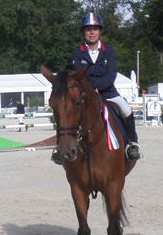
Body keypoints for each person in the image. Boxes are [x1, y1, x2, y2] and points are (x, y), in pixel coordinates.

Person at [56, 12, 141, 163]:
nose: (92, 32)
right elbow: (77, 74)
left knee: (127, 110)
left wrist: (98, 86)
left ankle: (131, 144)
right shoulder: (77, 52)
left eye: (95, 29)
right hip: (86, 93)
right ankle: (60, 147)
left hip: (108, 92)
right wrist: (90, 88)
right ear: (84, 32)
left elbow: (112, 74)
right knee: (69, 112)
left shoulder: (109, 51)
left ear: (99, 31)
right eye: (88, 29)